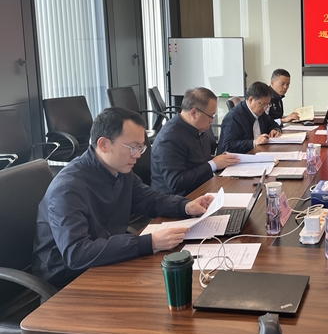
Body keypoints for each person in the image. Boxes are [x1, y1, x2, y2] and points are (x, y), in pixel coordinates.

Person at [32, 107, 214, 288]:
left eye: (140, 147)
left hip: (107, 261)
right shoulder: (67, 189)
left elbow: (149, 199)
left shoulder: (119, 170)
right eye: (132, 147)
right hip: (68, 281)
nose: (138, 155)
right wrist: (149, 242)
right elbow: (77, 253)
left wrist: (185, 206)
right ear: (103, 144)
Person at [150, 87, 240, 196]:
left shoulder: (197, 128)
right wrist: (213, 164)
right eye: (211, 116)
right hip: (178, 200)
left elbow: (199, 162)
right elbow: (177, 182)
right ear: (194, 113)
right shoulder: (169, 139)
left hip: (202, 188)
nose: (212, 121)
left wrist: (221, 160)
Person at [217, 81, 283, 154]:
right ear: (251, 100)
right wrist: (254, 142)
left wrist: (275, 130)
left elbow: (273, 124)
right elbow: (228, 145)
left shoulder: (260, 112)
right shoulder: (233, 117)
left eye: (268, 104)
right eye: (262, 104)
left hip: (257, 153)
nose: (265, 108)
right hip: (235, 158)